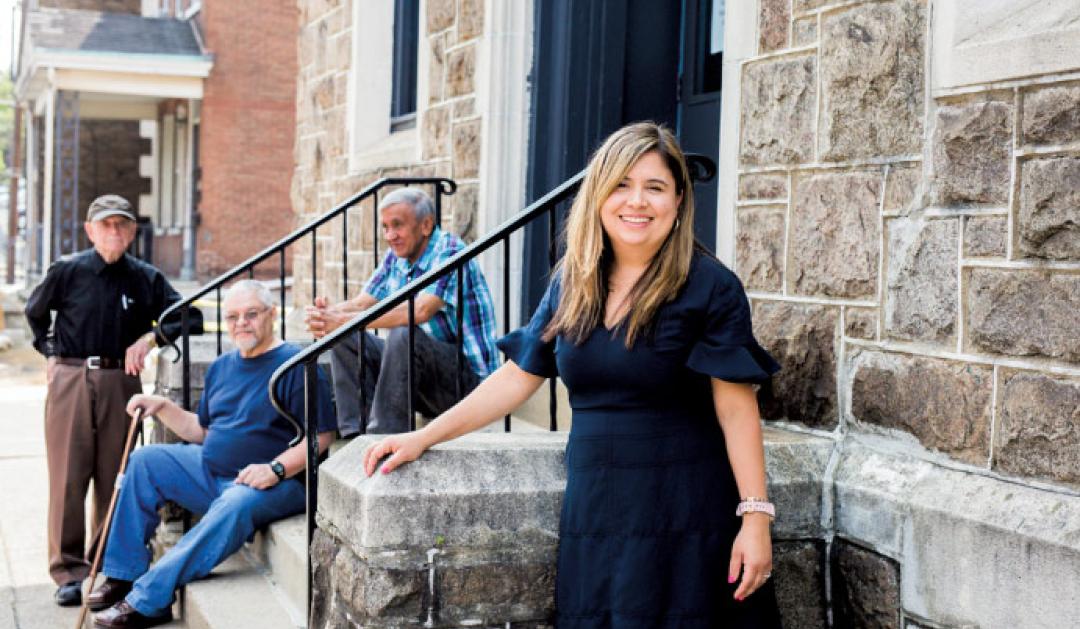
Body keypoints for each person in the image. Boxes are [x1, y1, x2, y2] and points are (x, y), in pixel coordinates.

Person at [362, 123, 784, 626]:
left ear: (678, 201)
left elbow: (736, 409)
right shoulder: (574, 282)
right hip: (597, 512)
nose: (637, 202)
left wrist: (755, 517)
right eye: (622, 185)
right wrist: (424, 436)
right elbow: (518, 377)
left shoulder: (711, 287)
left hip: (687, 510)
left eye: (655, 187)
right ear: (599, 195)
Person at [88, 280, 336, 628]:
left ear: (272, 315)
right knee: (145, 461)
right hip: (210, 471)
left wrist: (275, 469)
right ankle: (122, 575)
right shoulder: (222, 367)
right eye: (232, 317)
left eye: (251, 314)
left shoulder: (295, 365)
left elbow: (321, 436)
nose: (241, 323)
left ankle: (149, 599)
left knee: (235, 503)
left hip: (272, 484)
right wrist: (161, 405)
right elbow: (202, 431)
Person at [24, 194, 203, 607]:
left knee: (114, 476)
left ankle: (104, 563)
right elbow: (36, 313)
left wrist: (150, 337)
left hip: (122, 382)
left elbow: (188, 317)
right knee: (67, 476)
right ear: (91, 230)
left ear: (132, 231)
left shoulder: (145, 277)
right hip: (70, 377)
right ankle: (68, 570)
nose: (114, 231)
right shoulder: (66, 271)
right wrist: (50, 353)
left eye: (122, 224)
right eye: (106, 225)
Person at [305, 187, 499, 436]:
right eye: (385, 227)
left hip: (470, 387)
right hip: (425, 378)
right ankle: (355, 435)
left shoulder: (450, 252)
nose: (390, 235)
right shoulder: (397, 256)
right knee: (346, 335)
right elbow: (362, 302)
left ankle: (384, 435)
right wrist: (328, 314)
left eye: (397, 225)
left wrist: (342, 319)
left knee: (404, 333)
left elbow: (420, 311)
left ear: (426, 225)